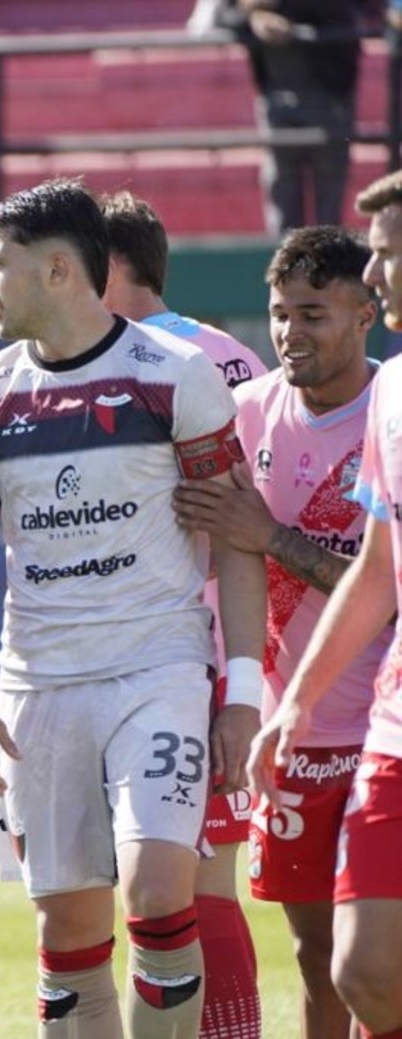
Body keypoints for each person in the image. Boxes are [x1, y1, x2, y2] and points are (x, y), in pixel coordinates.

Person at [0, 177, 267, 1039]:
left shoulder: (175, 377)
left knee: (158, 894)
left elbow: (234, 539)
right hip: (38, 688)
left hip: (155, 673)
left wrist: (240, 693)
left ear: (55, 269)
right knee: (67, 934)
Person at [176, 226, 383, 1039]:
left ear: (365, 312)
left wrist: (273, 539)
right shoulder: (245, 414)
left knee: (377, 957)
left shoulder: (390, 412)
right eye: (279, 314)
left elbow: (388, 584)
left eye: (313, 314)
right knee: (313, 953)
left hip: (382, 728)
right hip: (289, 729)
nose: (291, 333)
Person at [99, 189, 267, 1039]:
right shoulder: (232, 354)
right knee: (207, 882)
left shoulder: (122, 362)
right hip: (214, 650)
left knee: (109, 895)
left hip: (149, 651)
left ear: (108, 267)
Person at [245, 171, 402, 1039]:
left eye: (386, 256)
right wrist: (286, 700)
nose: (378, 277)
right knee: (341, 962)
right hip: (363, 727)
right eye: (281, 311)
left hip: (367, 717)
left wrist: (268, 538)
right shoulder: (390, 399)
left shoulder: (377, 394)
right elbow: (380, 563)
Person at [215, 0, 364, 235]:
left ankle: (329, 265)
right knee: (282, 194)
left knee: (329, 205)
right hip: (276, 95)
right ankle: (284, 266)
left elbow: (342, 10)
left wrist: (275, 7)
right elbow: (222, 15)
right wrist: (253, 17)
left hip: (329, 91)